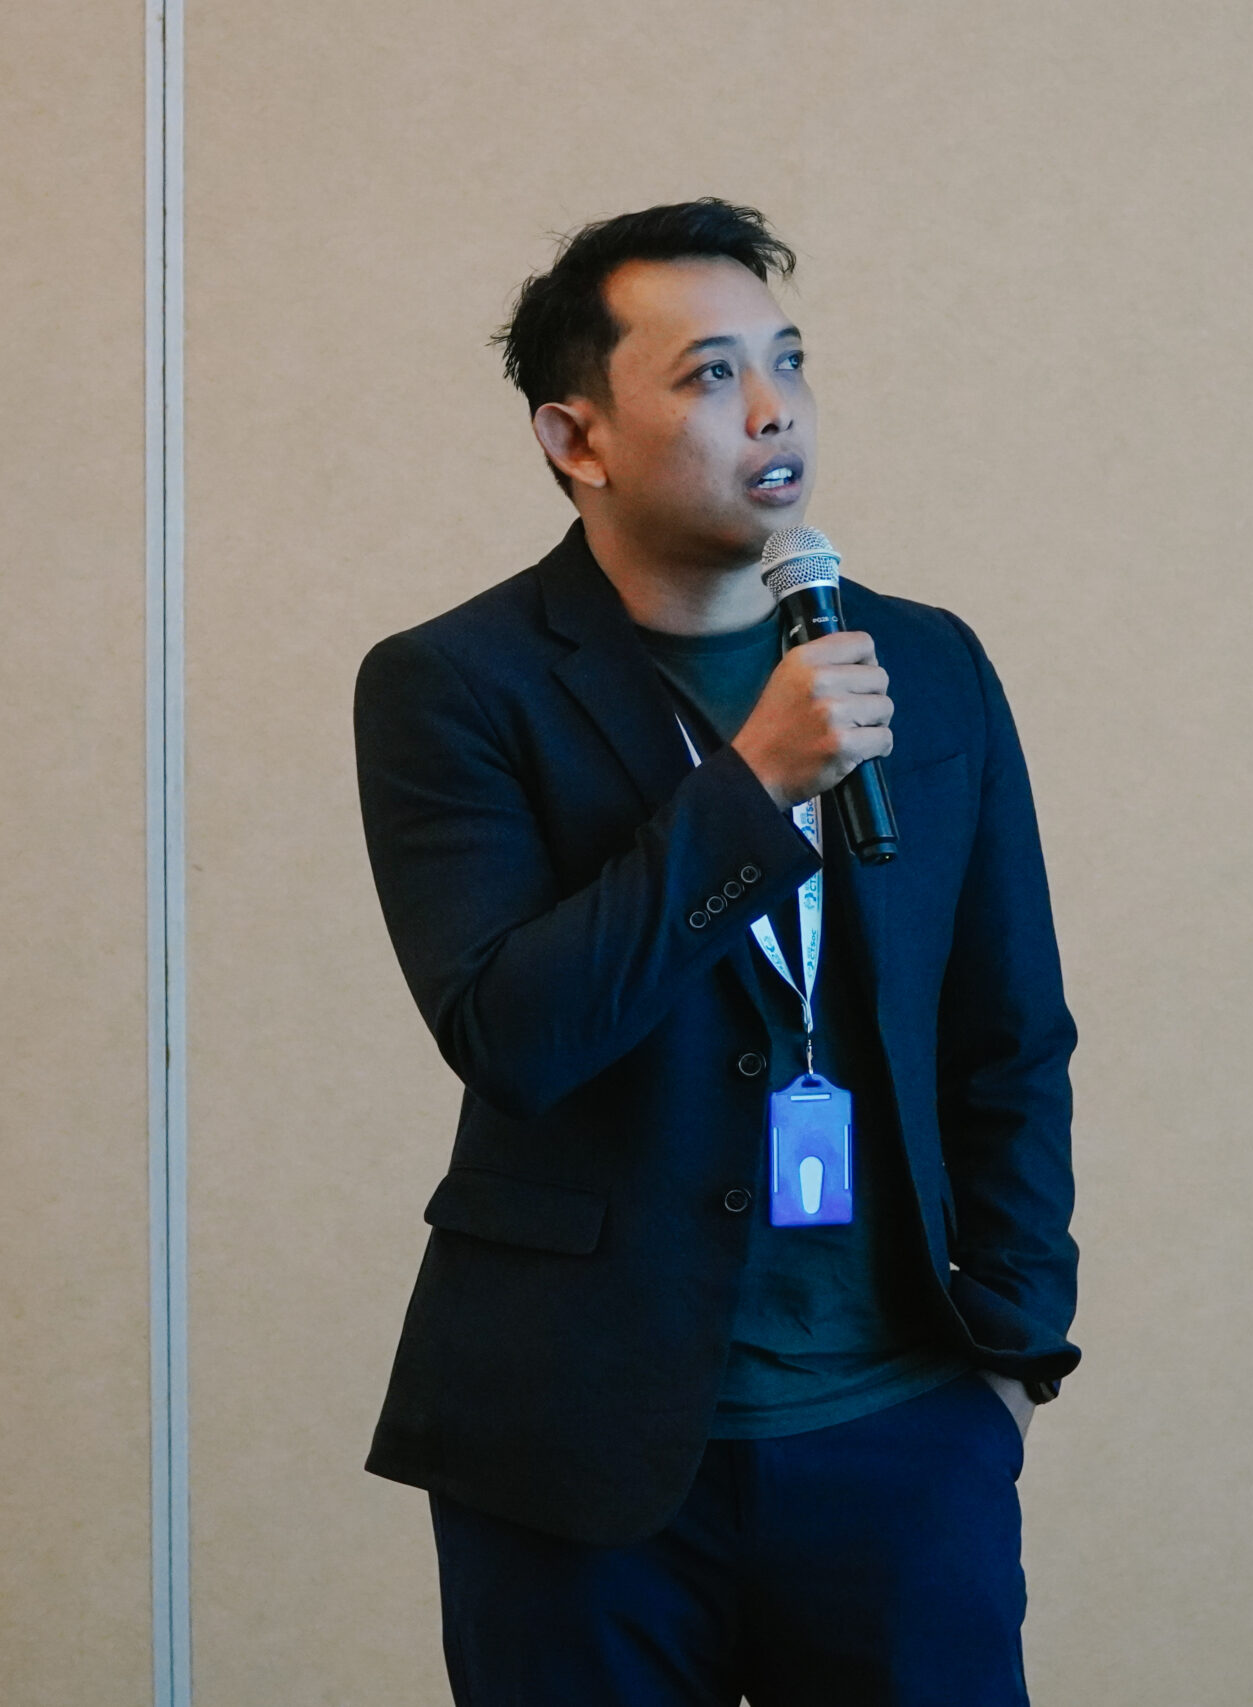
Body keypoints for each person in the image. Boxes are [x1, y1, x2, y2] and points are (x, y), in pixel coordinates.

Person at [352, 198, 1079, 1707]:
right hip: (575, 1456)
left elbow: (1007, 1032)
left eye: (788, 360)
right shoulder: (454, 687)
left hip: (901, 1430)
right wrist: (752, 790)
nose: (773, 409)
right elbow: (515, 1030)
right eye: (709, 375)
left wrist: (1009, 1360)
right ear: (577, 440)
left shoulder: (924, 661)